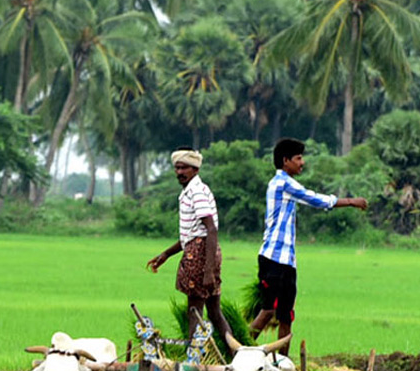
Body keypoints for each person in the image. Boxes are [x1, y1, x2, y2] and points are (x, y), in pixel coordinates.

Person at [249, 138, 368, 341]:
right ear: (286, 161)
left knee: (286, 316)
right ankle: (239, 354)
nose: (302, 163)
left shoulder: (285, 183)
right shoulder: (282, 184)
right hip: (273, 258)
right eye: (299, 158)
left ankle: (283, 365)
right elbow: (314, 199)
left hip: (287, 260)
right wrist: (350, 201)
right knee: (268, 311)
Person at [147, 148, 232, 341]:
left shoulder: (197, 192)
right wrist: (166, 254)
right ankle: (234, 352)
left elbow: (210, 230)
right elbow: (191, 234)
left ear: (195, 169)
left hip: (201, 255)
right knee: (214, 312)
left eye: (184, 168)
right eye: (177, 168)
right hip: (201, 250)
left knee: (194, 310)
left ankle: (193, 358)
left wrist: (208, 270)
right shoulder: (192, 191)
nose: (179, 172)